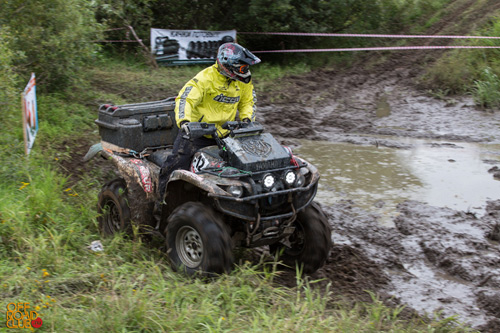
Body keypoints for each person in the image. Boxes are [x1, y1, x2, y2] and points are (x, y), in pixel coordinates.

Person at [158, 42, 261, 201]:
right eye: (242, 68)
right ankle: (160, 202)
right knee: (175, 165)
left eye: (246, 68)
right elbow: (186, 99)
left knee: (245, 168)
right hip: (196, 134)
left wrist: (247, 119)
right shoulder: (205, 78)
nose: (245, 71)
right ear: (228, 66)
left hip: (226, 135)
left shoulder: (243, 81)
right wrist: (185, 122)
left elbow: (248, 102)